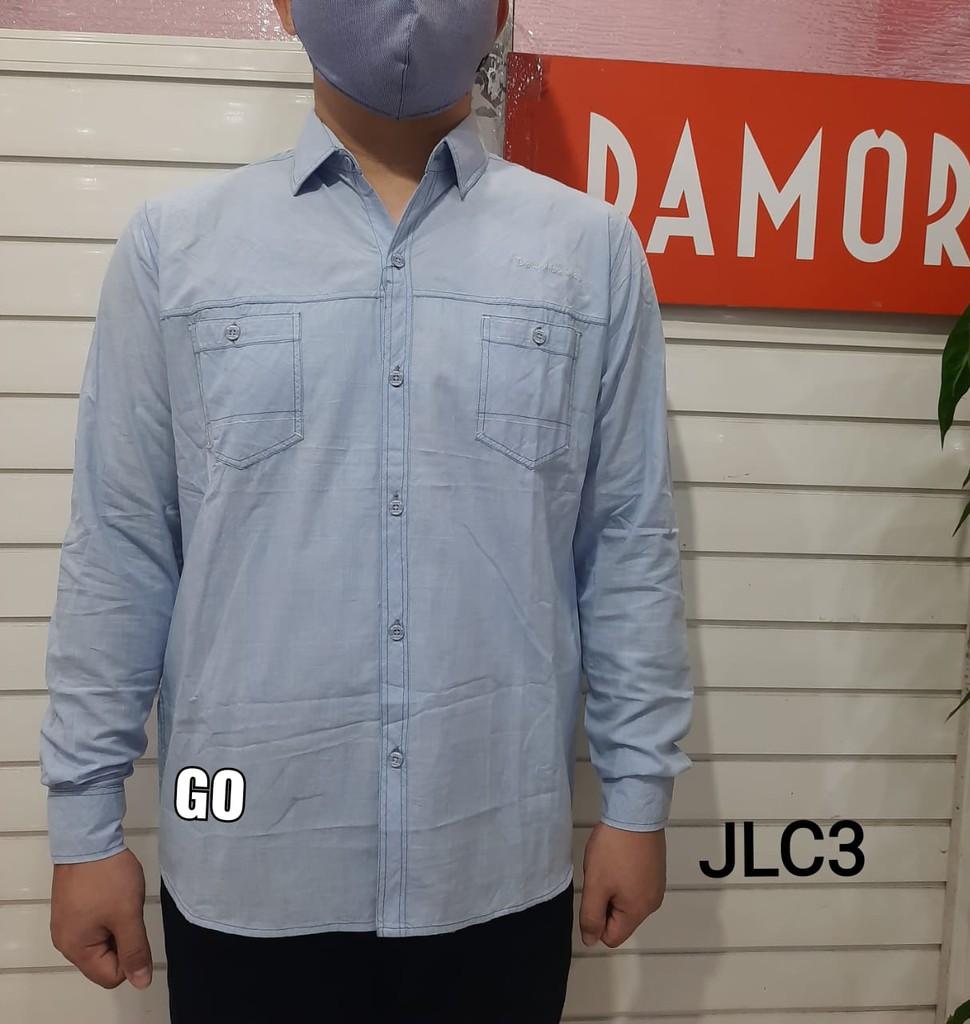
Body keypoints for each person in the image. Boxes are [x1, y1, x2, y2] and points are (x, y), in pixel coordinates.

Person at [39, 1, 694, 1020]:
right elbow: (122, 550)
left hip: (493, 865)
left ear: (502, 9)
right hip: (245, 860)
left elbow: (626, 547)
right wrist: (86, 827)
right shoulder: (176, 250)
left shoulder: (589, 254)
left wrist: (637, 799)